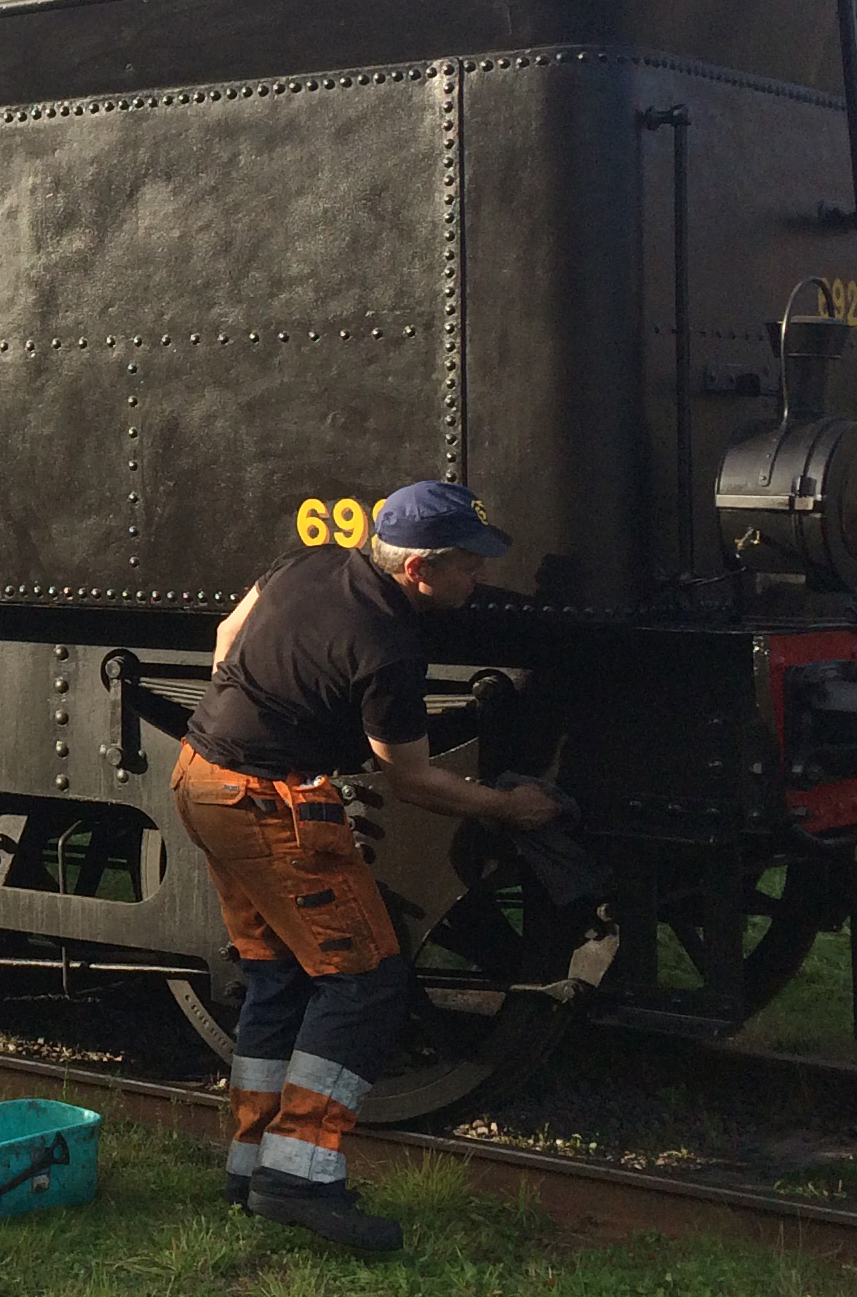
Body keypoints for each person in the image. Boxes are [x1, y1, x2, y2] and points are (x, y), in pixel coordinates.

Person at [174, 480, 561, 1254]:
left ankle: (250, 1162)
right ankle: (301, 1174)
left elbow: (226, 635)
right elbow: (411, 780)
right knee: (363, 979)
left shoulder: (305, 563)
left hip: (199, 774)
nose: (480, 579)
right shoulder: (387, 645)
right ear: (418, 569)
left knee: (279, 971)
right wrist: (507, 808)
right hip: (268, 803)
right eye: (468, 567)